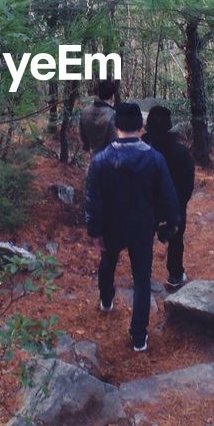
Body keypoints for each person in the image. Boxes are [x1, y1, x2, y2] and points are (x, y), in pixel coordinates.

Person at [85, 102, 178, 352]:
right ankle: (139, 337)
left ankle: (106, 301)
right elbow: (168, 196)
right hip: (141, 228)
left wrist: (94, 231)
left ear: (116, 128)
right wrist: (171, 222)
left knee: (107, 263)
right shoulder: (154, 159)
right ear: (140, 128)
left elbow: (93, 200)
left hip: (111, 227)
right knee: (142, 279)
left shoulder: (101, 160)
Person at [143, 105, 195, 292]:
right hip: (175, 203)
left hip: (147, 204)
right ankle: (175, 275)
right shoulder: (181, 152)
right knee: (176, 239)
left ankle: (143, 274)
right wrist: (181, 204)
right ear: (169, 125)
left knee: (145, 239)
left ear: (148, 125)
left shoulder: (141, 149)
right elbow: (188, 184)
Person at [78, 80, 118, 152]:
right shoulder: (112, 114)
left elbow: (83, 138)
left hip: (92, 157)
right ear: (112, 96)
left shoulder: (85, 112)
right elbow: (114, 141)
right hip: (108, 158)